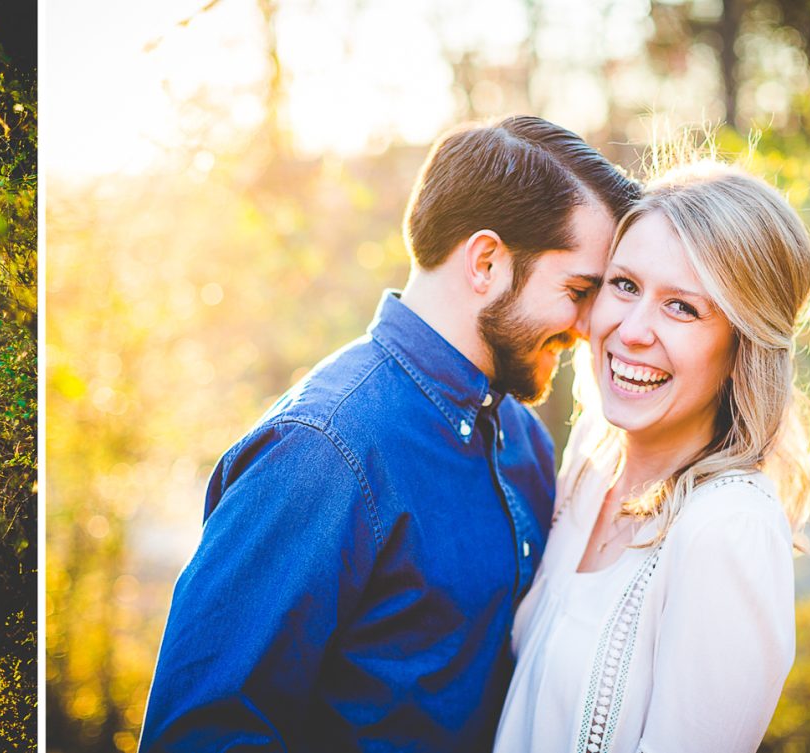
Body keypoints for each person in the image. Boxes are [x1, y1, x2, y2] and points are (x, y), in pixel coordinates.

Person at [140, 116, 641, 750]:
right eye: (577, 290)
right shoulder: (321, 451)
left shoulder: (523, 440)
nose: (590, 325)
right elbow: (202, 733)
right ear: (486, 262)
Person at [494, 162, 810, 752]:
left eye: (683, 308)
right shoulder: (593, 454)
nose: (632, 330)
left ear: (742, 345)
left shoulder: (727, 529)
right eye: (624, 285)